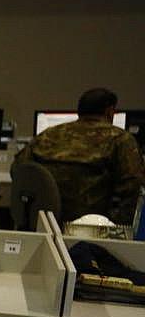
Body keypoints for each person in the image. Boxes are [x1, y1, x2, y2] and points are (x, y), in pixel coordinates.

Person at [16, 87, 144, 224]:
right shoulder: (120, 139)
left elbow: (19, 169)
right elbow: (133, 185)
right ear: (110, 111)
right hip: (92, 228)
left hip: (44, 224)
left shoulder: (47, 135)